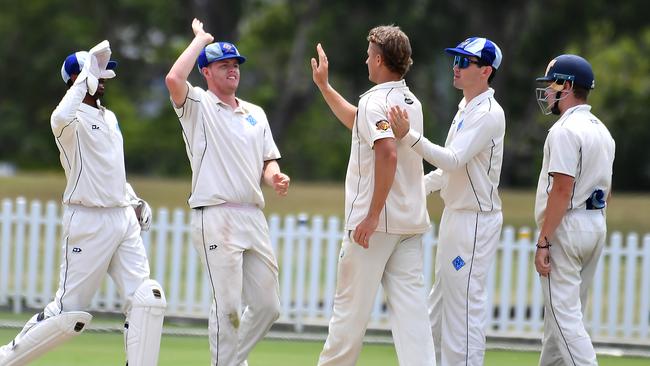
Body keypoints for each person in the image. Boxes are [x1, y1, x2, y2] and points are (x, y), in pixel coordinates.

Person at [0, 40, 166, 366]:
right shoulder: (69, 122)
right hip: (88, 220)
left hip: (121, 218)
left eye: (102, 74)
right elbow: (59, 115)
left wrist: (132, 200)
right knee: (68, 315)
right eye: (96, 74)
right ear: (79, 78)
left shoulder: (111, 117)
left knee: (148, 299)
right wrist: (83, 79)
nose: (103, 78)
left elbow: (111, 168)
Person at [165, 19, 289, 366]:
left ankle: (229, 362)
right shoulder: (198, 106)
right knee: (228, 305)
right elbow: (174, 79)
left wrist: (275, 177)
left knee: (268, 307)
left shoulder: (255, 113)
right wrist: (200, 41)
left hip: (252, 213)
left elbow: (268, 161)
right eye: (224, 65)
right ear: (206, 71)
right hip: (215, 214)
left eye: (235, 65)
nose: (233, 70)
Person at [311, 25, 436, 366]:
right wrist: (325, 87)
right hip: (409, 225)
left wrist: (371, 215)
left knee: (348, 318)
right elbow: (359, 123)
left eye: (369, 55)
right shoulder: (411, 101)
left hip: (374, 229)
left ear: (379, 59)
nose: (366, 60)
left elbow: (387, 153)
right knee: (413, 321)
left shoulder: (375, 101)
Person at [389, 37, 505, 365]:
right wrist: (417, 188)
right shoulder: (466, 108)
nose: (456, 67)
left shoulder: (487, 113)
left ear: (485, 71)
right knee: (439, 305)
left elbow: (452, 160)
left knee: (463, 309)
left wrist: (408, 136)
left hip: (474, 221)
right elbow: (450, 172)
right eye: (455, 60)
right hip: (457, 216)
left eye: (464, 62)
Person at [533, 54, 615, 366]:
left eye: (551, 85)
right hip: (595, 222)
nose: (547, 93)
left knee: (564, 319)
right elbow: (607, 188)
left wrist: (544, 239)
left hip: (566, 226)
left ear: (566, 86)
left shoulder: (564, 130)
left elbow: (562, 188)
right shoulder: (601, 129)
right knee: (561, 321)